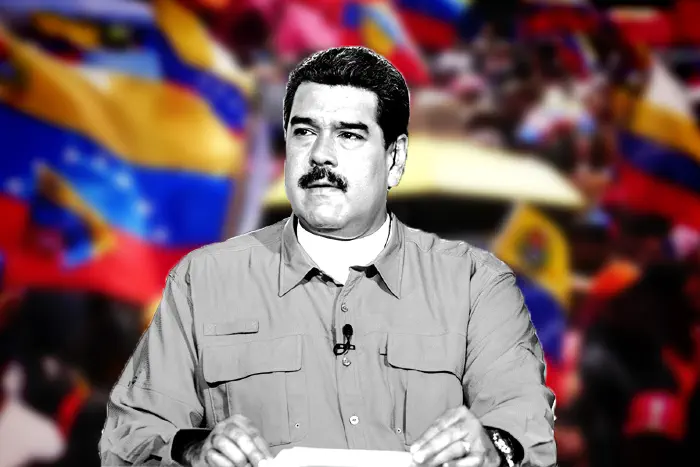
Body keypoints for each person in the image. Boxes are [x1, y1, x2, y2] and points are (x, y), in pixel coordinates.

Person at [100, 46, 556, 467]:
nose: (320, 155)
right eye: (304, 132)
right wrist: (194, 449)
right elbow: (128, 436)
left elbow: (527, 428)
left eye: (349, 135)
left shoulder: (476, 282)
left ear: (395, 159)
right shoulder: (203, 280)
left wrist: (493, 448)